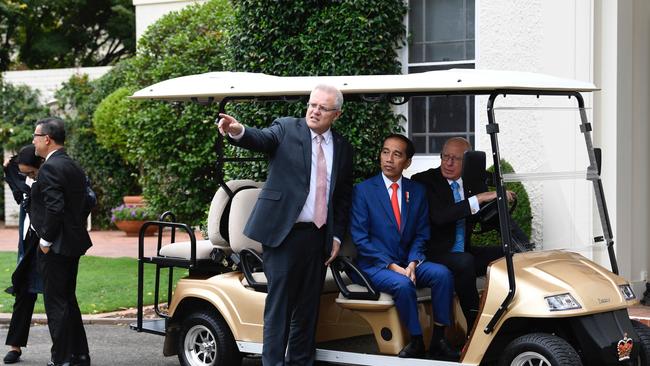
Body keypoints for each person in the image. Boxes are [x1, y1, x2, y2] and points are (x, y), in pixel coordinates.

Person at [217, 84, 353, 366]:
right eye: (312, 105)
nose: (315, 111)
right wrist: (237, 131)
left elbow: (341, 198)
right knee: (279, 308)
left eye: (323, 108)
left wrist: (336, 237)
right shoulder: (286, 128)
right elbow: (260, 138)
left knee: (307, 309)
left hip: (318, 238)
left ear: (336, 114)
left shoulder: (342, 147)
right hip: (284, 235)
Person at [350, 134, 458, 360]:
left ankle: (439, 338)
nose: (389, 159)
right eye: (385, 152)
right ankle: (417, 340)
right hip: (373, 265)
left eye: (397, 154)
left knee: (442, 274)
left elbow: (421, 233)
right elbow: (361, 239)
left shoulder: (416, 191)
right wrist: (392, 266)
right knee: (402, 284)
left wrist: (412, 262)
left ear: (407, 162)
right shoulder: (363, 191)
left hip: (407, 261)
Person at [411, 137, 516, 331]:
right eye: (445, 156)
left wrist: (501, 198)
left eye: (456, 159)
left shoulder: (473, 182)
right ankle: (475, 329)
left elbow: (486, 211)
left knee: (509, 254)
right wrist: (478, 199)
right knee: (464, 261)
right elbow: (440, 216)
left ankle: (511, 320)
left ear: (466, 162)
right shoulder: (424, 181)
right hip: (432, 255)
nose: (448, 163)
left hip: (462, 252)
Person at [30, 117, 93, 366]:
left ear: (47, 138)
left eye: (36, 136)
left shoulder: (50, 167)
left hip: (55, 247)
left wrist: (45, 240)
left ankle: (62, 360)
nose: (33, 141)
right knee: (67, 300)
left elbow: (55, 209)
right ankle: (79, 356)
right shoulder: (73, 165)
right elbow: (86, 201)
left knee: (57, 304)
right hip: (71, 244)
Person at [2, 145, 44, 364]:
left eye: (29, 172)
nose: (26, 175)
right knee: (23, 293)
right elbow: (17, 188)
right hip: (27, 244)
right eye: (23, 172)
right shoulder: (21, 178)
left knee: (59, 298)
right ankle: (15, 347)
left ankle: (68, 349)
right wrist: (10, 168)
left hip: (46, 242)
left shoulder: (47, 179)